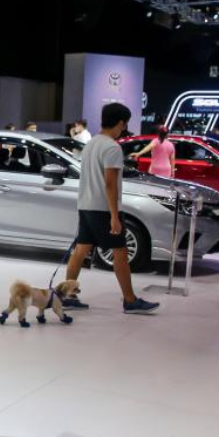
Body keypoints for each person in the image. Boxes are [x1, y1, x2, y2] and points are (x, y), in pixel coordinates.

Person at [65, 102, 160, 315]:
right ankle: (130, 300)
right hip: (103, 209)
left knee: (81, 249)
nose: (123, 129)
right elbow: (110, 183)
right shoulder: (112, 147)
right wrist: (115, 216)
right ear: (120, 123)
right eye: (124, 125)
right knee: (120, 251)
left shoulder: (90, 144)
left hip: (86, 205)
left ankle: (67, 295)